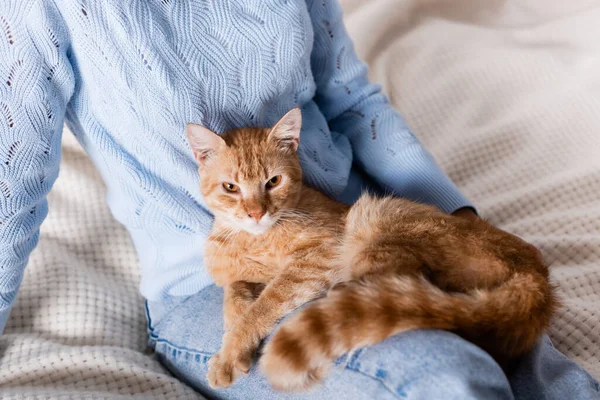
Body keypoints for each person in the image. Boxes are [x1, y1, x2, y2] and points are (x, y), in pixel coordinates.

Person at [1, 1, 598, 399]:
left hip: (356, 231)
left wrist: (456, 224)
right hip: (210, 286)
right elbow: (11, 182)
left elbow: (353, 100)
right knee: (447, 378)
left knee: (543, 367)